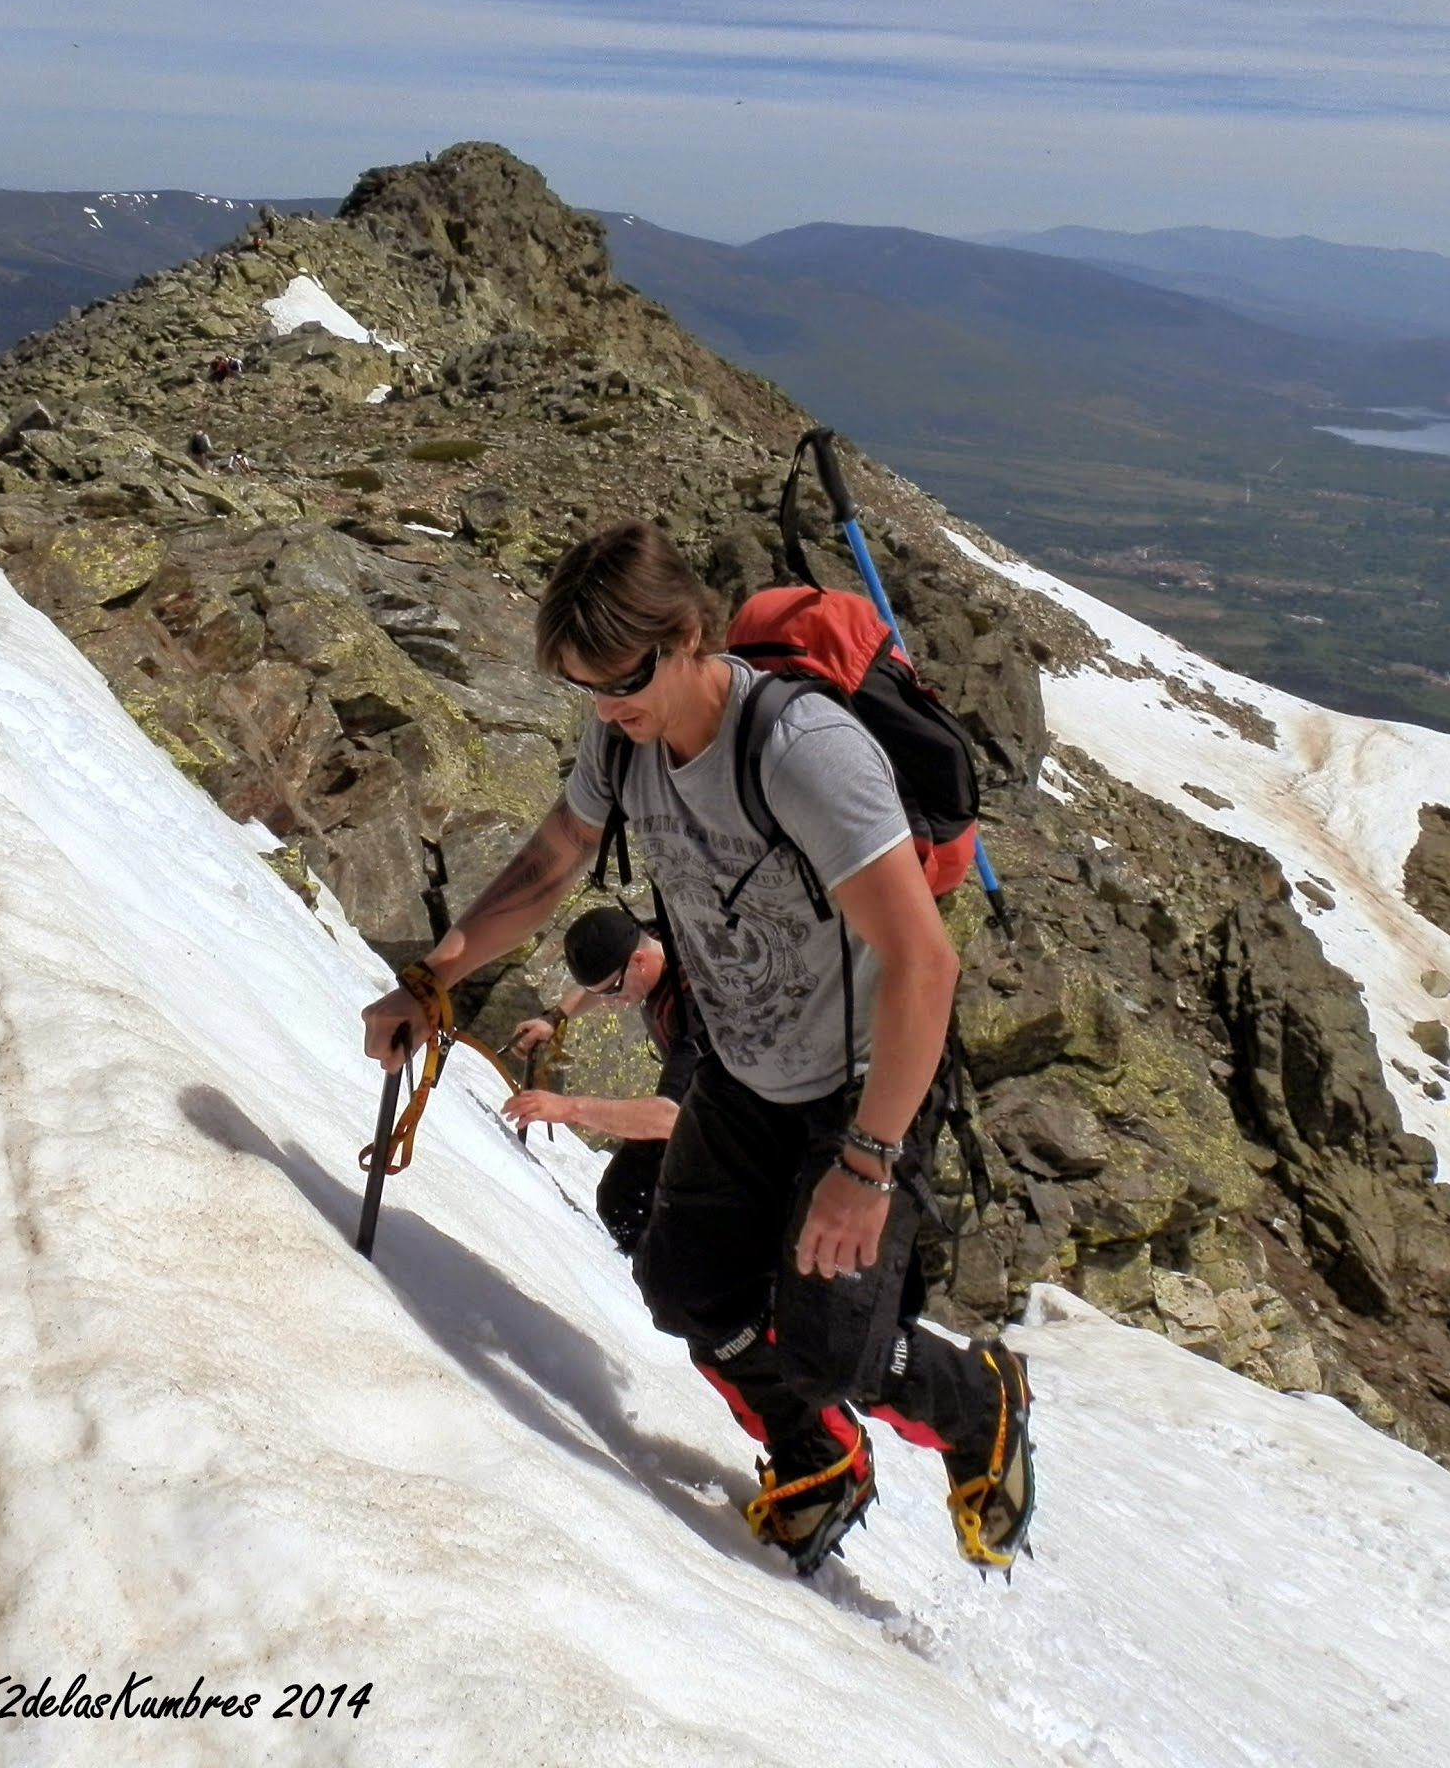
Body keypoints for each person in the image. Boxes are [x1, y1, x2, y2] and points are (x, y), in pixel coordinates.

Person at [364, 520, 1032, 1577]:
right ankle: (817, 1456)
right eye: (584, 686)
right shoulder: (622, 738)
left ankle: (978, 1402)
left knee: (831, 1345)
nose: (604, 705)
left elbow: (923, 964)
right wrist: (431, 977)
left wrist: (865, 1162)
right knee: (684, 1286)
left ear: (686, 635)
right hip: (739, 1067)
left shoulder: (804, 754)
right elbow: (551, 860)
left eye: (621, 678)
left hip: (856, 1093)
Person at [501, 906, 699, 1252]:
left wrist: (569, 1109)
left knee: (634, 1201)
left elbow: (670, 1117)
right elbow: (599, 983)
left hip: (743, 1125)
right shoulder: (653, 938)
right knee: (622, 1195)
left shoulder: (692, 1010)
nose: (611, 1002)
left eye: (614, 989)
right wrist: (556, 1017)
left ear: (638, 960)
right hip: (701, 1106)